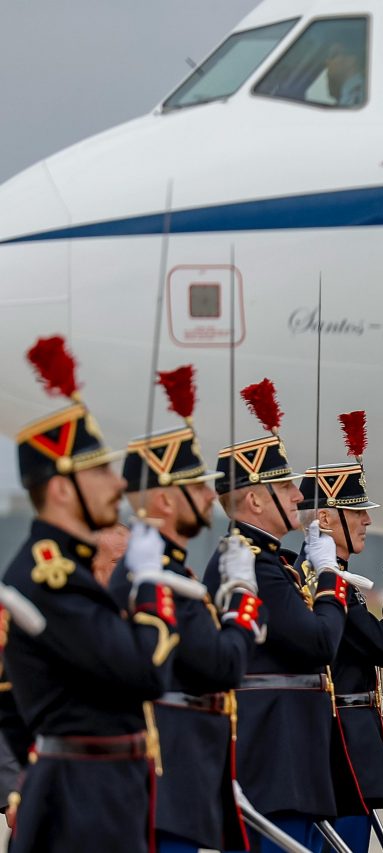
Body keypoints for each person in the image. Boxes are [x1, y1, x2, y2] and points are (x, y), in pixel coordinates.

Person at [1, 336, 179, 853]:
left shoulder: (65, 572)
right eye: (99, 471)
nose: (117, 485)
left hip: (98, 792)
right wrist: (148, 583)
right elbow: (146, 670)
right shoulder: (47, 579)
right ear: (61, 489)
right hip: (81, 801)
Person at [111, 365, 264, 853]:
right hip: (168, 772)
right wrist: (241, 598)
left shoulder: (170, 571)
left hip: (183, 772)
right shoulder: (155, 576)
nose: (208, 496)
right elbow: (220, 665)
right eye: (196, 487)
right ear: (163, 499)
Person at [201, 378, 352, 850]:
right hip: (273, 762)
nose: (297, 495)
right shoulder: (256, 563)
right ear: (255, 499)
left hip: (285, 763)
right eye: (285, 485)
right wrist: (329, 577)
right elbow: (319, 643)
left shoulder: (268, 561)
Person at [297, 411, 383, 853]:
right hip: (341, 746)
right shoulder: (329, 582)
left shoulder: (320, 574)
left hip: (338, 739)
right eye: (356, 512)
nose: (367, 521)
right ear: (326, 520)